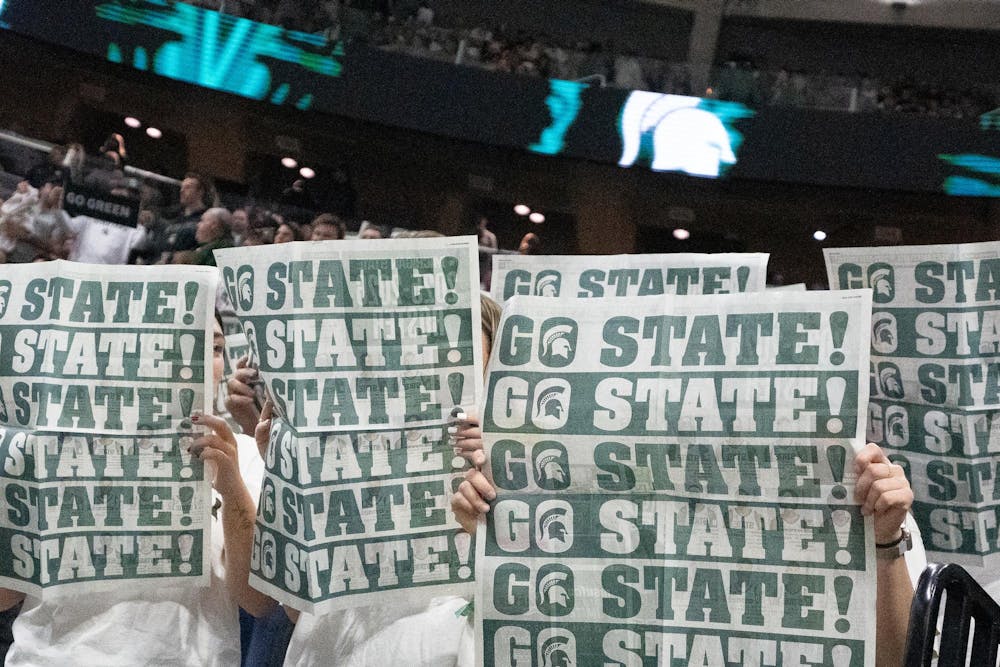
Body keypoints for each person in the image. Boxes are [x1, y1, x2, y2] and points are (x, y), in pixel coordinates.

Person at [451, 440, 923, 667]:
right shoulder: (594, 511)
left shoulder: (866, 503)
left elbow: (899, 660)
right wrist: (501, 531)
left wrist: (884, 542)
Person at [0, 316, 268, 666]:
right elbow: (5, 596)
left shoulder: (244, 455)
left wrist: (231, 487)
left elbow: (256, 602)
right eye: (178, 344)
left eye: (215, 348)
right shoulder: (53, 446)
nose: (200, 360)